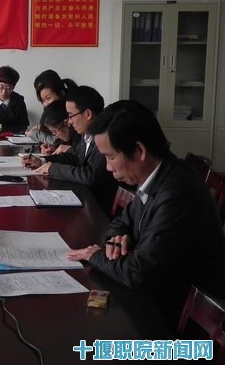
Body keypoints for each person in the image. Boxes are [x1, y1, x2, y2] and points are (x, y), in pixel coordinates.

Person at [67, 100, 225, 330]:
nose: (108, 167)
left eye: (111, 157)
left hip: (180, 325)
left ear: (139, 151)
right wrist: (116, 238)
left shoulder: (177, 192)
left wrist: (96, 255)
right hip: (157, 298)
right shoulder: (158, 175)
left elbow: (137, 273)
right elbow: (123, 220)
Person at [21, 85, 118, 214]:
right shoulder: (86, 134)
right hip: (84, 201)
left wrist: (52, 168)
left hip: (97, 209)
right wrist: (42, 162)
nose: (69, 122)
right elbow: (75, 157)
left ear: (88, 114)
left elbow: (89, 175)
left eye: (71, 116)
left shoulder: (104, 137)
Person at [26, 70, 78, 144]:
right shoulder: (50, 109)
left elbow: (57, 140)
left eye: (48, 98)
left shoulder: (71, 111)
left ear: (61, 93)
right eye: (43, 100)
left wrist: (35, 134)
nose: (45, 104)